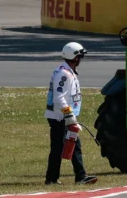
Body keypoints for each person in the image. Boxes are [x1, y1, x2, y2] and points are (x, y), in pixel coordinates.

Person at [44, 42, 98, 185]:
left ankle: (80, 176)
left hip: (66, 116)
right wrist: (69, 114)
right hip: (60, 117)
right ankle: (52, 179)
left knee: (74, 145)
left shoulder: (68, 72)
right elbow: (59, 97)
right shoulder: (64, 74)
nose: (81, 59)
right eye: (80, 56)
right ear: (74, 57)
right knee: (58, 147)